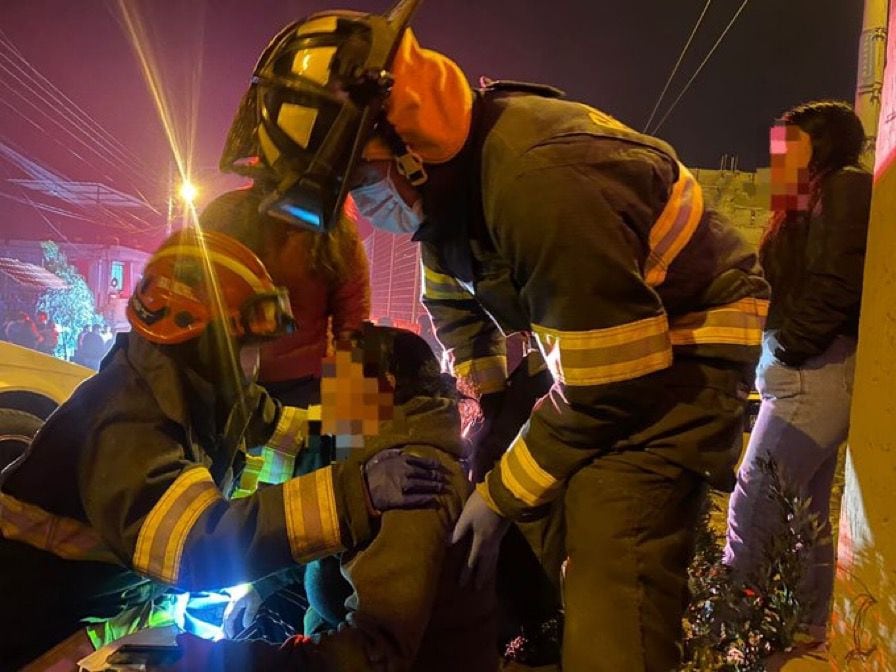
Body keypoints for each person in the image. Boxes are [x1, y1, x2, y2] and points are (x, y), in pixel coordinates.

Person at [219, 4, 769, 669]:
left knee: (610, 570)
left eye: (360, 181)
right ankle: (539, 637)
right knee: (521, 534)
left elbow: (608, 388)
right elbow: (452, 292)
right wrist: (486, 395)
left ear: (409, 146)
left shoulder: (539, 181)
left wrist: (499, 494)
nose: (362, 206)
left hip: (674, 368)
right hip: (607, 355)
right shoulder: (458, 185)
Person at [0, 228, 446, 669]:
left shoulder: (209, 397)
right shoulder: (124, 422)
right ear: (207, 344)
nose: (259, 363)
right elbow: (193, 545)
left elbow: (297, 440)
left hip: (98, 608)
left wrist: (370, 438)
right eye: (248, 347)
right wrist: (353, 493)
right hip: (27, 618)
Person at [171, 324, 498, 672]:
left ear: (381, 385)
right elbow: (333, 548)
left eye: (338, 378)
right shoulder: (374, 461)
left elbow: (375, 653)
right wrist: (263, 588)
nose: (323, 397)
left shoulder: (413, 483)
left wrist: (230, 661)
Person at [724, 101, 872, 647]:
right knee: (800, 508)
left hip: (815, 371)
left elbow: (839, 279)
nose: (779, 152)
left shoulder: (847, 188)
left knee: (753, 501)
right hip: (802, 369)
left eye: (793, 143)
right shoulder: (807, 199)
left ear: (825, 144)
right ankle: (808, 624)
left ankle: (733, 626)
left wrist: (789, 348)